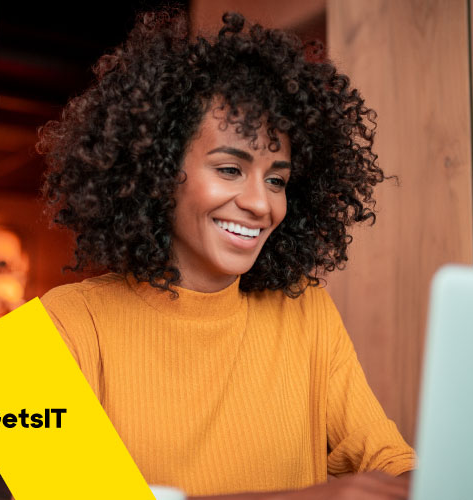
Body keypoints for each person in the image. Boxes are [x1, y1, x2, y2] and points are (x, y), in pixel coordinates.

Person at [38, 9, 414, 499]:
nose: (261, 204)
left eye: (276, 179)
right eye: (230, 170)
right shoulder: (72, 324)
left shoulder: (306, 315)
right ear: (157, 170)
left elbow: (393, 465)